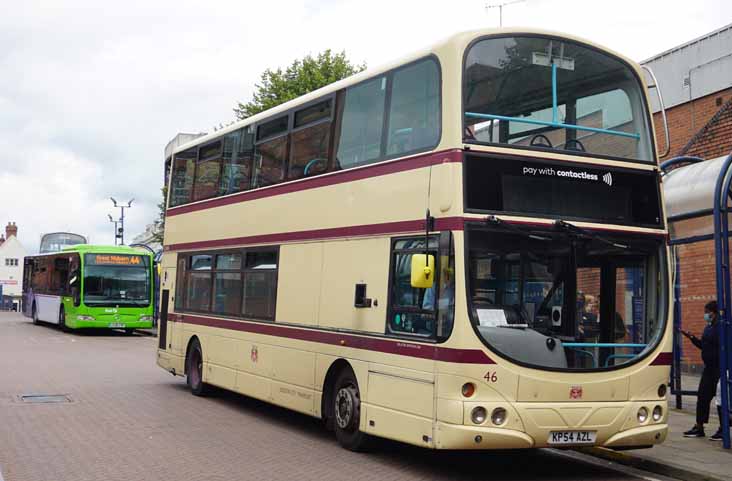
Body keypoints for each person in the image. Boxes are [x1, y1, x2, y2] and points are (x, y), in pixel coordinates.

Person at [681, 301, 721, 438]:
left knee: (721, 399)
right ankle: (699, 427)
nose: (705, 315)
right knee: (702, 397)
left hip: (719, 368)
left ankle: (723, 429)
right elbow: (704, 346)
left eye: (707, 312)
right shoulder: (709, 327)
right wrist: (692, 338)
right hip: (709, 368)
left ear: (713, 312)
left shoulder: (721, 327)